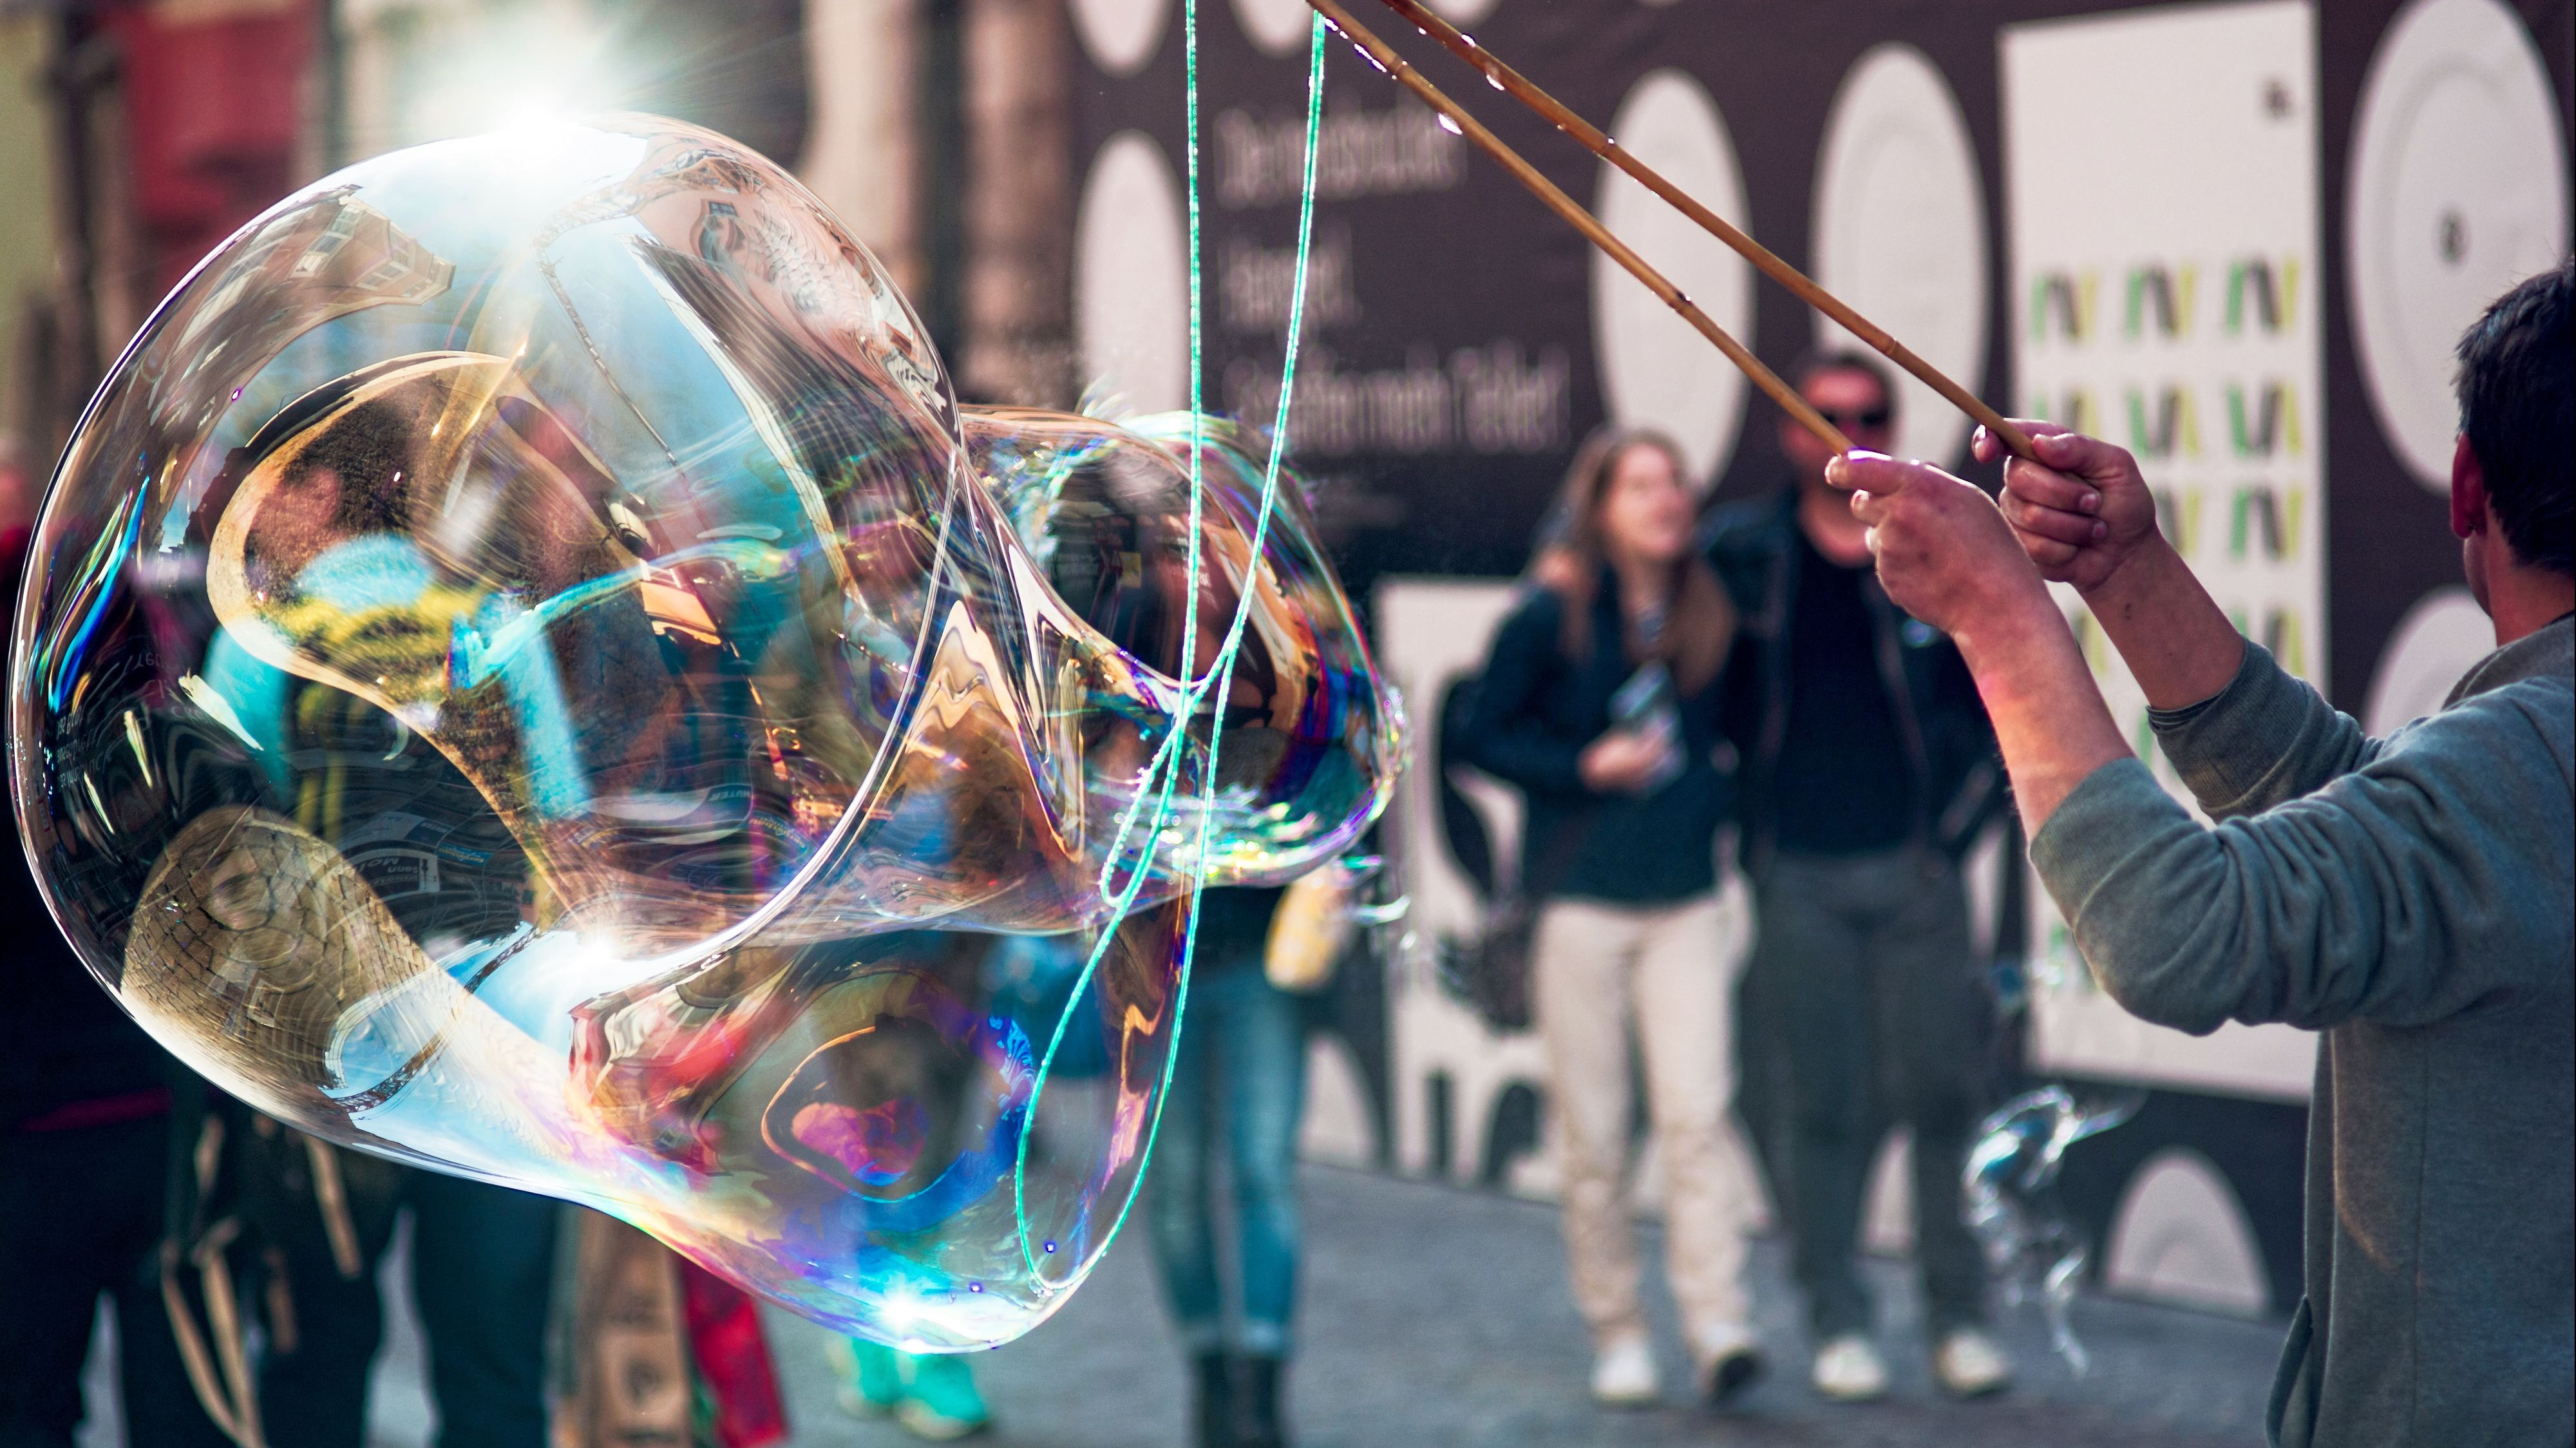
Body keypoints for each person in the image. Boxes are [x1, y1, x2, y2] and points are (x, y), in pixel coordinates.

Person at [1833, 262, 2572, 1447]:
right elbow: (2384, 828)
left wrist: (2000, 616)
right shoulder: (2519, 778)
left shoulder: (2524, 761)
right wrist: (2125, 575)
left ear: (2466, 485)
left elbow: (2172, 934)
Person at [1703, 352, 2012, 1403]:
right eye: (1825, 412)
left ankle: (1958, 1318)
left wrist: (1953, 840)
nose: (1847, 431)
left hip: (1917, 872)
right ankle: (1837, 1319)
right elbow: (1688, 682)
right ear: (1789, 428)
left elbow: (1996, 700)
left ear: (1892, 424)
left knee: (1943, 1096)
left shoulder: (1928, 546)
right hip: (1796, 872)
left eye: (1869, 413)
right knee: (1821, 1105)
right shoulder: (1744, 556)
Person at [1460, 426, 1764, 1409]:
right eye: (1640, 485)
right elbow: (1476, 732)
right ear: (1598, 508)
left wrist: (1715, 801)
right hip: (1580, 905)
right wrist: (1581, 766)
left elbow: (1746, 735)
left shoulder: (1714, 606)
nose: (1666, 499)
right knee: (1594, 1138)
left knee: (1697, 1119)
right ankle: (1619, 1330)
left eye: (1674, 481)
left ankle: (1719, 1324)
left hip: (1686, 901)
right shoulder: (1553, 613)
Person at [1, 525, 230, 1448]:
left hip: (32, 1138)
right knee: (183, 1409)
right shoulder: (188, 756)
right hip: (172, 1127)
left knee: (29, 1406)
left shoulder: (22, 778)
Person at [1146, 884, 1304, 1448]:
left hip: (1265, 952)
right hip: (1156, 962)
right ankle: (1212, 1380)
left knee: (1263, 1172)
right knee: (1178, 1181)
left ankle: (1260, 1393)